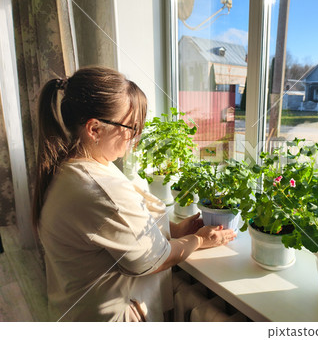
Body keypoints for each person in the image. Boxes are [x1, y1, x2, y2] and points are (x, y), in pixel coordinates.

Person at [33, 66, 236, 322]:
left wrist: (174, 230)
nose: (135, 138)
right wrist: (199, 240)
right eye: (130, 128)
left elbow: (114, 231)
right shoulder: (99, 187)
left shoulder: (72, 167)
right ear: (94, 129)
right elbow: (152, 260)